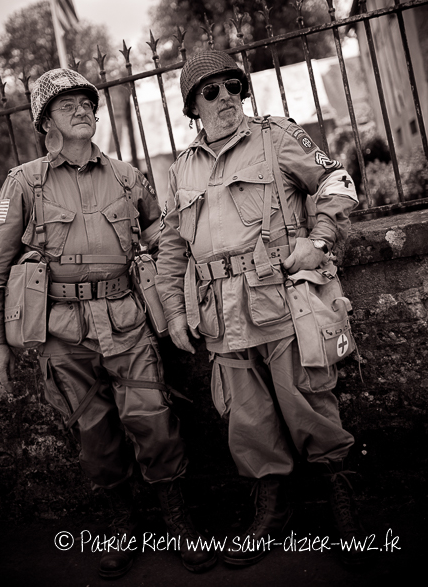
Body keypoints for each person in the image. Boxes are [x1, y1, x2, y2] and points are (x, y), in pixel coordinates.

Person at [0, 68, 216, 579]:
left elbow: (164, 238)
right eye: (67, 105)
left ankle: (178, 521)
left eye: (87, 103)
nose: (82, 110)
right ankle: (123, 523)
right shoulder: (24, 182)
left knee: (155, 422)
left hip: (127, 320)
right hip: (61, 332)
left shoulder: (128, 177)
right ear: (46, 122)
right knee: (94, 435)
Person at [155, 50, 367, 568]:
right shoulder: (181, 168)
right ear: (193, 107)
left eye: (234, 87)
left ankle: (342, 503)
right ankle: (272, 509)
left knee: (308, 405)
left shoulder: (276, 136)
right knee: (247, 421)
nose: (227, 97)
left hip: (283, 302)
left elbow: (335, 182)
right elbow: (172, 247)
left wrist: (320, 240)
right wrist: (175, 311)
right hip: (220, 317)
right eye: (212, 91)